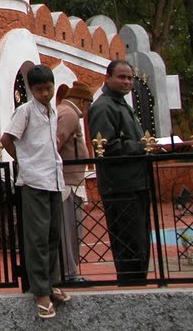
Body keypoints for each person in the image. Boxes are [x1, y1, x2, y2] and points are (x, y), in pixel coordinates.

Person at [0, 64, 70, 319]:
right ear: (31, 89)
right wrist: (24, 160)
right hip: (34, 181)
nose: (45, 93)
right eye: (39, 89)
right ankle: (40, 290)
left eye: (48, 88)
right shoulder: (26, 111)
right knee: (37, 237)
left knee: (53, 235)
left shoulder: (52, 112)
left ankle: (51, 283)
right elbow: (6, 139)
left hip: (53, 180)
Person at [88, 59, 152, 285]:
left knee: (141, 243)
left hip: (137, 183)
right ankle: (130, 287)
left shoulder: (123, 105)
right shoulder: (103, 107)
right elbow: (106, 147)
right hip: (121, 187)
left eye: (130, 78)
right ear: (108, 78)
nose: (127, 81)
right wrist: (142, 147)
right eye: (122, 77)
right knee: (128, 244)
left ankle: (138, 285)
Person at [56, 80, 95, 283]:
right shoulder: (69, 114)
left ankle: (68, 271)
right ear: (82, 101)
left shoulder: (64, 111)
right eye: (87, 104)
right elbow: (55, 142)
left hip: (71, 181)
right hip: (68, 182)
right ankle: (69, 273)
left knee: (71, 228)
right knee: (70, 229)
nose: (87, 110)